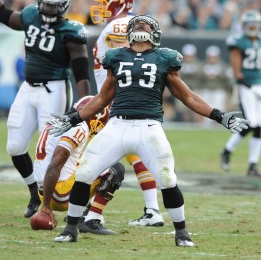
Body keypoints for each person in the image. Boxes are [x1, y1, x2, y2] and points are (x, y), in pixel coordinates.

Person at [47, 15, 249, 247]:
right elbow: (103, 97)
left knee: (166, 178)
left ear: (155, 32)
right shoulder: (116, 57)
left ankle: (181, 233)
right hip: (117, 126)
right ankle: (71, 229)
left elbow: (188, 96)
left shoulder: (164, 58)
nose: (141, 26)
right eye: (138, 24)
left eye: (146, 24)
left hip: (149, 127)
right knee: (84, 173)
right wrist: (73, 118)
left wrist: (220, 116)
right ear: (129, 33)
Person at [0, 0, 91, 218]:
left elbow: (82, 73)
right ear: (40, 4)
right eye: (46, 6)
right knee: (15, 146)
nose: (49, 12)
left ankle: (57, 205)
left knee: (49, 152)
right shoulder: (31, 16)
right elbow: (2, 13)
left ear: (63, 8)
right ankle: (34, 192)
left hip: (55, 90)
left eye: (54, 7)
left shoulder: (72, 32)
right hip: (28, 87)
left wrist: (84, 106)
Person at [89, 0, 164, 227]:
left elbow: (130, 59)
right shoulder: (126, 24)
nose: (99, 7)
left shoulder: (119, 25)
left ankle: (91, 212)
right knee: (136, 156)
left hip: (116, 101)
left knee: (97, 155)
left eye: (103, 2)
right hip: (115, 100)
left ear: (117, 1)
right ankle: (152, 210)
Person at [33, 96, 124, 235]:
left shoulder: (58, 122)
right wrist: (45, 207)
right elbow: (54, 167)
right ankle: (91, 220)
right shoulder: (78, 127)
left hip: (43, 191)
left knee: (85, 160)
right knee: (115, 168)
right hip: (58, 194)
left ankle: (80, 213)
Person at [220, 9, 261, 176]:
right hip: (246, 86)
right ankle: (227, 150)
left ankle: (252, 165)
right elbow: (237, 72)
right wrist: (251, 87)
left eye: (255, 24)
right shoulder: (238, 42)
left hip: (259, 85)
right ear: (243, 26)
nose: (252, 27)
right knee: (251, 123)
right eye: (249, 24)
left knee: (259, 127)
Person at [199, 45, 232, 125]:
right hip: (206, 90)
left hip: (218, 90)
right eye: (210, 57)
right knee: (204, 109)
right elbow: (198, 78)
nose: (212, 59)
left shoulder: (223, 66)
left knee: (219, 109)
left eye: (214, 57)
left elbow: (227, 79)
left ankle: (218, 125)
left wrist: (217, 75)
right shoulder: (202, 65)